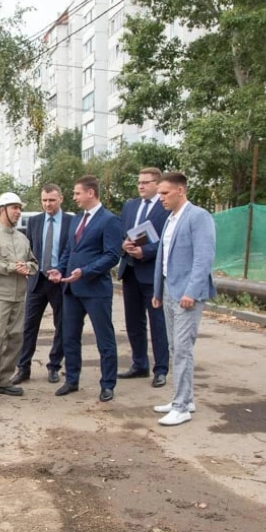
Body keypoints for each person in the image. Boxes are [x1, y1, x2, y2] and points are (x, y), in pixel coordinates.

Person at [152, 172, 216, 426]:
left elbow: (204, 257)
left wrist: (192, 291)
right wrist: (158, 291)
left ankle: (181, 407)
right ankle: (184, 398)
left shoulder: (198, 216)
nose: (161, 199)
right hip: (169, 290)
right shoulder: (170, 219)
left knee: (182, 349)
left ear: (180, 190)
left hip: (187, 294)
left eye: (165, 193)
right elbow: (163, 257)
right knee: (173, 348)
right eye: (159, 194)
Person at [49, 175, 121, 402]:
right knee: (70, 337)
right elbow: (69, 251)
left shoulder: (109, 220)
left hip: (96, 290)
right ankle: (71, 379)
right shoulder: (77, 218)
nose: (74, 197)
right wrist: (59, 270)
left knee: (104, 338)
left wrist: (86, 271)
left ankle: (107, 384)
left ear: (91, 193)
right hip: (71, 290)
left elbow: (112, 255)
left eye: (77, 193)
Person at [0, 192, 38, 407]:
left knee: (15, 338)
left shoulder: (22, 238)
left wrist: (27, 268)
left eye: (19, 208)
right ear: (2, 209)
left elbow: (33, 262)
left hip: (18, 296)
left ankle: (3, 380)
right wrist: (10, 267)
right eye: (14, 208)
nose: (18, 212)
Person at [11, 183, 72, 386]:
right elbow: (29, 248)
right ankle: (23, 367)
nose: (48, 204)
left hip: (60, 282)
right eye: (44, 200)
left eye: (52, 200)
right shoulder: (35, 221)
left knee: (61, 325)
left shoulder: (71, 221)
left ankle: (54, 366)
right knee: (28, 326)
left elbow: (72, 251)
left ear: (61, 199)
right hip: (37, 281)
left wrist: (63, 272)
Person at [117, 168, 170, 388]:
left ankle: (161, 369)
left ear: (157, 184)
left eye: (145, 182)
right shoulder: (130, 206)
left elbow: (168, 239)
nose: (140, 186)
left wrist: (145, 252)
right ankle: (139, 364)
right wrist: (124, 245)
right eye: (139, 182)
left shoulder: (165, 207)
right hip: (129, 270)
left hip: (151, 272)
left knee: (157, 322)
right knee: (133, 321)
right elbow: (121, 232)